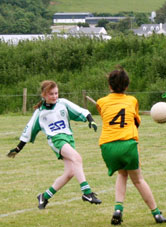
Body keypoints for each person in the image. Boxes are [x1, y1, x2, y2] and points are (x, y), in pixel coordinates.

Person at [6, 80, 101, 209]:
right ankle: (87, 193)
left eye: (56, 93)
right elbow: (28, 130)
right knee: (77, 158)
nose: (55, 96)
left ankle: (44, 196)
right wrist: (18, 148)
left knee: (70, 172)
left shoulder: (62, 103)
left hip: (68, 138)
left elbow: (80, 110)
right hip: (56, 140)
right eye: (51, 94)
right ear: (44, 95)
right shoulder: (40, 113)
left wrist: (91, 120)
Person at [96, 66, 166, 225]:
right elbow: (136, 122)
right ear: (127, 86)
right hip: (127, 144)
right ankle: (156, 213)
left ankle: (118, 209)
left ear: (109, 85)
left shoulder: (101, 102)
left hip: (107, 146)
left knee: (122, 174)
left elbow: (105, 116)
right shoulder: (132, 100)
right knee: (138, 180)